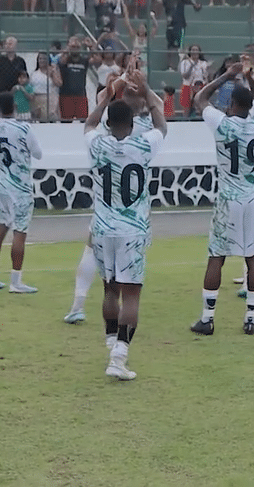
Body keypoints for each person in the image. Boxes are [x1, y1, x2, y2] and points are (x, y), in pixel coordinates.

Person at [84, 71, 167, 380]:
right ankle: (119, 357)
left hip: (103, 227)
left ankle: (110, 340)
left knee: (109, 288)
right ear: (133, 125)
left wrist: (107, 95)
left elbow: (89, 124)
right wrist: (146, 91)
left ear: (108, 123)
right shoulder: (143, 146)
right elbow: (162, 125)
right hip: (131, 230)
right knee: (132, 295)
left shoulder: (97, 145)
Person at [191, 63, 254, 336]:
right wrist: (250, 76)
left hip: (229, 198)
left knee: (217, 256)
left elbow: (200, 99)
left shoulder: (222, 124)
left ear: (232, 103)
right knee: (253, 258)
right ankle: (251, 318)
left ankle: (207, 318)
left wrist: (226, 75)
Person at [0, 92, 44, 294]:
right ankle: (16, 281)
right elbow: (38, 153)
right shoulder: (24, 128)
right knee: (20, 232)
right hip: (21, 187)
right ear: (15, 107)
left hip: (2, 183)